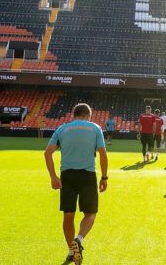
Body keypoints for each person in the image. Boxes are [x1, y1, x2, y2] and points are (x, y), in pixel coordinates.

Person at [44, 104, 108, 265]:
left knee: (68, 215)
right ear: (88, 114)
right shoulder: (95, 128)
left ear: (75, 114)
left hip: (67, 176)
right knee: (90, 213)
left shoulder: (62, 129)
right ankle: (78, 240)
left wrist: (53, 177)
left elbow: (47, 153)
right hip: (87, 175)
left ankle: (71, 251)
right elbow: (103, 153)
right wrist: (104, 177)